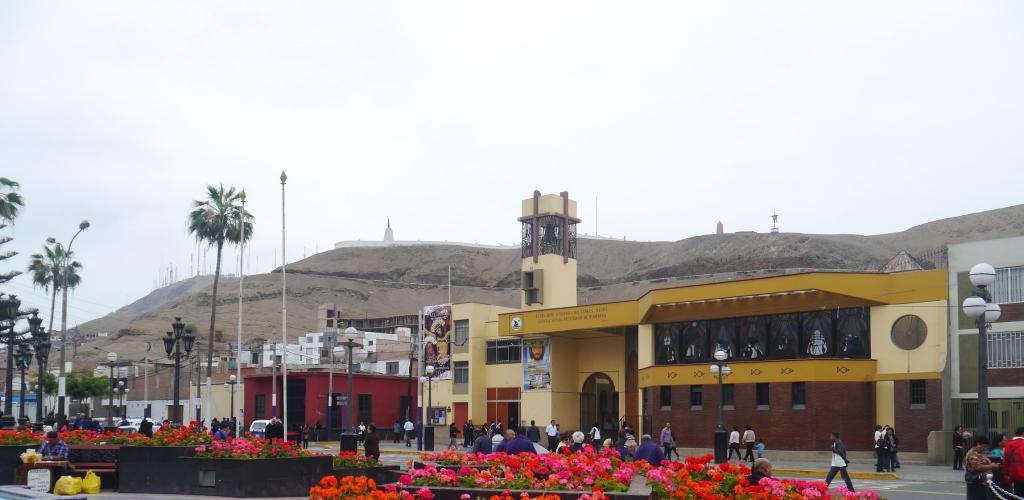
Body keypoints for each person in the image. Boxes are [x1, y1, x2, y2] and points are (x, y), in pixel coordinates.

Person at [966, 435, 999, 500]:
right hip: (976, 483)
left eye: (986, 447)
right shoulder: (972, 454)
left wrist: (992, 465)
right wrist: (992, 466)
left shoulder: (979, 453)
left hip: (982, 482)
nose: (985, 449)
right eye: (984, 446)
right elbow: (977, 467)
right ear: (978, 444)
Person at [1002, 427, 1024, 495]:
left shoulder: (1008, 444)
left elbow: (1006, 461)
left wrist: (1006, 475)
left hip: (1015, 475)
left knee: (1018, 494)